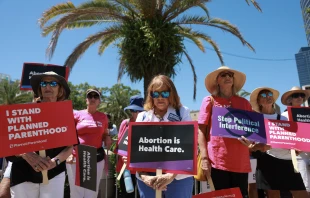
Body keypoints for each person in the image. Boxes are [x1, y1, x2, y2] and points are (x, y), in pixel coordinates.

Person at [198, 66, 266, 198]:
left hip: (240, 161)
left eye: (230, 75)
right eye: (223, 75)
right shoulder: (210, 101)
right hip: (217, 161)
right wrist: (204, 158)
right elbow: (201, 131)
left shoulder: (244, 103)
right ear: (217, 81)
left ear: (233, 80)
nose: (227, 77)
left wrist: (251, 142)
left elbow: (252, 130)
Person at [6, 71, 73, 198]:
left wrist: (55, 162)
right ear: (40, 88)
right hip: (23, 174)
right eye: (44, 83)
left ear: (60, 90)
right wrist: (26, 153)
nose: (48, 87)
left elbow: (70, 147)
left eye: (53, 83)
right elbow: (8, 143)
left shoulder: (64, 114)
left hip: (53, 174)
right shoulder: (22, 111)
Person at [134, 75, 193, 198]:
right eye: (156, 94)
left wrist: (170, 176)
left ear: (171, 94)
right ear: (151, 96)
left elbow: (187, 147)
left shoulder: (182, 113)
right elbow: (137, 152)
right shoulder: (142, 117)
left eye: (164, 93)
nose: (160, 98)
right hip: (148, 179)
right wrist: (144, 177)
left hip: (179, 179)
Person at [249, 87, 308, 198]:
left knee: (301, 193)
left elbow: (292, 139)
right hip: (268, 160)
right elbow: (252, 145)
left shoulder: (284, 118)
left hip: (288, 160)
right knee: (273, 194)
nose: (268, 97)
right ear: (258, 102)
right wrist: (258, 146)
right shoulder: (256, 119)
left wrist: (296, 149)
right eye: (263, 95)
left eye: (270, 94)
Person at [66, 88, 110, 198]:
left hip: (96, 158)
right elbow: (67, 134)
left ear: (99, 101)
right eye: (90, 96)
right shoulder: (76, 114)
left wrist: (107, 137)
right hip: (76, 157)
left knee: (91, 193)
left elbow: (105, 133)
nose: (93, 98)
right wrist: (69, 153)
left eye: (96, 97)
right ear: (86, 100)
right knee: (76, 193)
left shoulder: (103, 117)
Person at [281, 86, 310, 196]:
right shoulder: (284, 116)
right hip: (298, 155)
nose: (299, 97)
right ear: (290, 100)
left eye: (301, 95)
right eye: (295, 95)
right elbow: (282, 135)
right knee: (303, 187)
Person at [116, 95, 144, 198]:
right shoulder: (125, 123)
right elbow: (120, 145)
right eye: (133, 110)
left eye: (139, 111)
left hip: (143, 169)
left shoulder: (149, 123)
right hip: (126, 168)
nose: (135, 113)